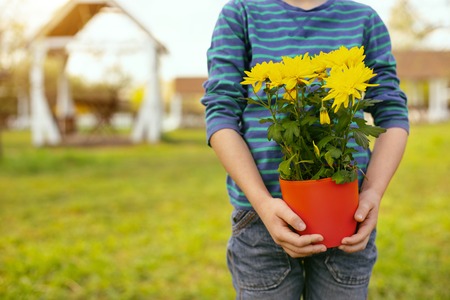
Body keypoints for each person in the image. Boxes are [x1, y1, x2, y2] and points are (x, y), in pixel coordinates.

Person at [201, 0, 409, 299]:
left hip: (347, 215)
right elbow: (221, 113)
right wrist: (262, 203)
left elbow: (392, 113)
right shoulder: (241, 12)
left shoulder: (364, 19)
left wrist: (373, 193)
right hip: (261, 219)